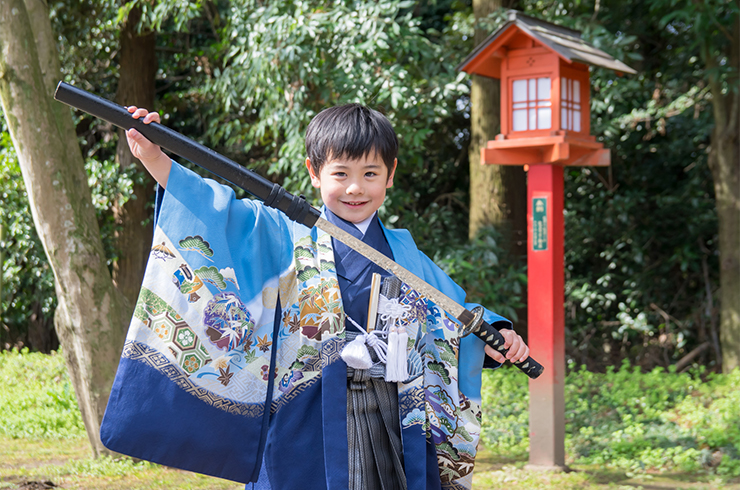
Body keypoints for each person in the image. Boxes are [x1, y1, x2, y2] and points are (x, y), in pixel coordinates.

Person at [101, 103, 530, 490]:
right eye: (340, 174)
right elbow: (221, 213)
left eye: (370, 174)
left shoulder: (403, 250)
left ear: (390, 174)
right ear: (314, 171)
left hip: (392, 415)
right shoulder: (285, 232)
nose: (355, 189)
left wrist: (497, 334)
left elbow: (454, 312)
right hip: (306, 411)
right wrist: (155, 157)